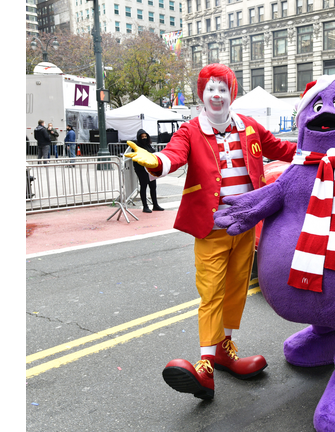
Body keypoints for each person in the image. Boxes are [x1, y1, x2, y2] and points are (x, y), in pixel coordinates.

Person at [125, 63, 297, 400]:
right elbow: (174, 156)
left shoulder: (249, 127)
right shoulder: (190, 131)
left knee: (236, 289)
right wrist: (156, 161)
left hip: (245, 223)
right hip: (212, 227)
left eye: (222, 89)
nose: (216, 95)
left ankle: (224, 348)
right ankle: (205, 362)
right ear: (202, 94)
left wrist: (323, 148)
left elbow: (283, 149)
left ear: (231, 93)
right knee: (212, 291)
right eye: (210, 89)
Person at [132, 129, 164, 213]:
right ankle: (145, 206)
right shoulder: (136, 147)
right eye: (142, 137)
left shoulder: (148, 145)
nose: (144, 138)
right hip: (141, 169)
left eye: (145, 136)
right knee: (144, 186)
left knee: (153, 186)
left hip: (150, 169)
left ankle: (155, 205)